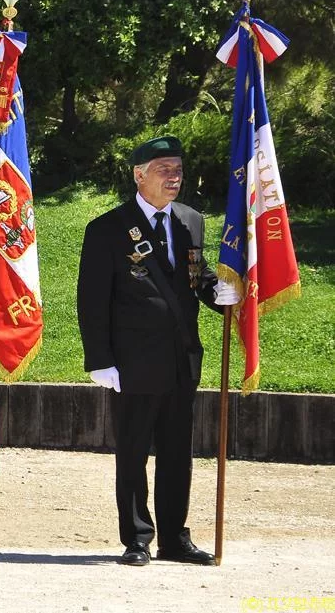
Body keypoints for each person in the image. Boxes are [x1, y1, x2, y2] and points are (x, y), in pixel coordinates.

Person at [76, 135, 240, 567]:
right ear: (139, 175)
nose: (174, 177)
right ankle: (137, 538)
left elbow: (194, 275)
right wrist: (100, 360)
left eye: (178, 170)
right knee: (133, 453)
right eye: (164, 169)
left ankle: (174, 537)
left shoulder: (190, 220)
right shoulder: (108, 228)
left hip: (181, 357)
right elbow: (92, 300)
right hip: (132, 361)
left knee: (177, 453)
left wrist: (219, 293)